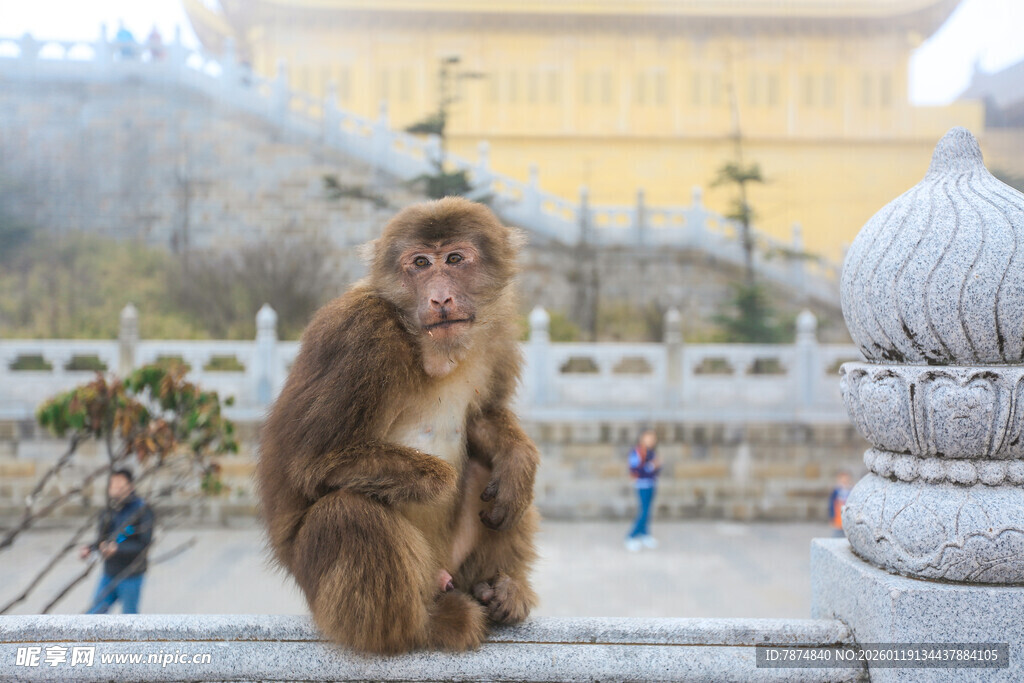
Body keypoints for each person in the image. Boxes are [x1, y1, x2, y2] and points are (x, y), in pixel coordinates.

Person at [79, 469, 155, 614]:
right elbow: (102, 539)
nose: (116, 487)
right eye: (113, 484)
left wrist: (118, 549)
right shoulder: (108, 511)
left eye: (120, 484)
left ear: (131, 486)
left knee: (129, 620)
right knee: (93, 616)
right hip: (109, 573)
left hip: (131, 574)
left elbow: (144, 544)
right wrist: (90, 549)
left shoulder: (142, 510)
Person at [625, 429, 661, 552]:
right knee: (644, 512)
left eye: (653, 438)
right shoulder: (637, 452)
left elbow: (657, 470)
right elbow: (635, 470)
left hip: (652, 483)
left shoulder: (652, 452)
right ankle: (631, 536)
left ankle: (645, 534)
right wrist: (651, 466)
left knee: (648, 511)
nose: (651, 441)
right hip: (642, 485)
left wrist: (656, 466)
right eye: (648, 438)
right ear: (642, 438)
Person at [828, 470, 853, 538]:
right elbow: (831, 505)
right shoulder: (836, 491)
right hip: (838, 518)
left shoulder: (851, 491)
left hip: (847, 519)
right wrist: (831, 516)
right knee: (837, 535)